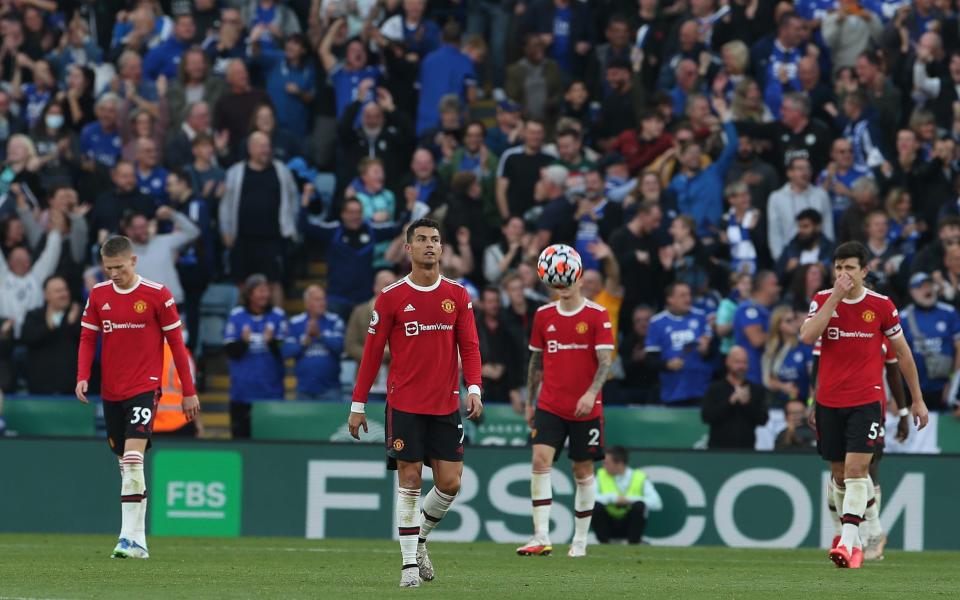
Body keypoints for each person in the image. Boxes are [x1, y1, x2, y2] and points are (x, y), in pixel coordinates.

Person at [348, 219, 483, 588]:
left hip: (445, 404)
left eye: (435, 240)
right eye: (421, 239)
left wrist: (474, 388)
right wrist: (358, 404)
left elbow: (469, 346)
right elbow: (372, 354)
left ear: (442, 249)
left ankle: (419, 537)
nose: (429, 245)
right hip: (405, 403)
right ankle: (409, 565)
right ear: (408, 248)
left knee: (451, 484)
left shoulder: (457, 295)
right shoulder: (391, 297)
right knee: (409, 479)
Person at [800, 241, 928, 569]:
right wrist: (834, 298)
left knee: (858, 471)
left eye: (850, 267)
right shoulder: (822, 300)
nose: (843, 274)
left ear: (864, 271)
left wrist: (916, 400)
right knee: (840, 476)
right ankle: (859, 537)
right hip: (829, 400)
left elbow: (901, 354)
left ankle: (847, 541)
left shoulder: (882, 306)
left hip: (867, 400)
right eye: (838, 267)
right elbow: (806, 337)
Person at [76, 235, 200, 559]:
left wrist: (189, 392)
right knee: (125, 466)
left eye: (118, 267)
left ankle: (127, 539)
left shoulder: (158, 295)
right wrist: (82, 376)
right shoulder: (99, 295)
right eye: (108, 268)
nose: (114, 274)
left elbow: (177, 346)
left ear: (133, 261)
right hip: (112, 391)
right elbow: (88, 337)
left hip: (145, 387)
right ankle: (138, 541)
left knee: (133, 459)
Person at [518, 247, 615, 559]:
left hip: (585, 408)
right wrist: (530, 401)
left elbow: (605, 362)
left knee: (582, 469)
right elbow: (536, 361)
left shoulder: (598, 315)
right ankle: (541, 536)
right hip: (550, 404)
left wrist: (591, 393)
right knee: (539, 462)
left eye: (568, 281)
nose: (564, 287)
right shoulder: (543, 316)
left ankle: (581, 541)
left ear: (580, 276)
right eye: (558, 284)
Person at [222, 274, 287, 438]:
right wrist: (243, 342)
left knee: (272, 441)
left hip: (271, 393)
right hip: (242, 394)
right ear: (250, 294)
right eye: (260, 291)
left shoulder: (278, 316)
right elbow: (230, 352)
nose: (265, 295)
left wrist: (272, 342)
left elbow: (286, 352)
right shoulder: (237, 316)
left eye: (267, 291)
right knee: (241, 441)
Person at [644, 282, 714, 407]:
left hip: (701, 389)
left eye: (689, 295)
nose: (688, 299)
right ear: (670, 299)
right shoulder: (657, 322)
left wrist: (707, 349)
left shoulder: (701, 317)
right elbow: (650, 360)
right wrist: (667, 364)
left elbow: (713, 353)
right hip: (672, 390)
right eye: (683, 295)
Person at [900, 272, 960, 412]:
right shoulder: (902, 317)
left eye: (929, 285)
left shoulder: (949, 313)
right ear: (912, 292)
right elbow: (893, 356)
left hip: (943, 389)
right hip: (910, 390)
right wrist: (898, 397)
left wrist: (953, 384)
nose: (927, 290)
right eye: (921, 287)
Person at [282, 285, 345, 401]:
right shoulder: (295, 323)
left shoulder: (335, 320)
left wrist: (320, 335)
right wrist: (305, 341)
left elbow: (340, 347)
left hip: (331, 389)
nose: (322, 303)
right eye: (317, 300)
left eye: (323, 299)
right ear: (307, 303)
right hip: (304, 390)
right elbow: (286, 352)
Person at [20, 275, 81, 394]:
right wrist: (48, 327)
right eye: (58, 291)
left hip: (71, 390)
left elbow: (89, 341)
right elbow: (27, 339)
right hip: (40, 390)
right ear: (46, 295)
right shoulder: (34, 316)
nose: (64, 294)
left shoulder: (77, 314)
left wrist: (72, 324)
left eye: (65, 289)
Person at [592, 445, 662, 545]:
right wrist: (613, 498)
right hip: (609, 524)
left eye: (606, 463)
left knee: (639, 506)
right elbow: (589, 498)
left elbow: (657, 503)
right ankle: (605, 542)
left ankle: (633, 542)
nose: (604, 466)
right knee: (595, 506)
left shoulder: (639, 477)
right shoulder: (601, 474)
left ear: (619, 463)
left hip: (629, 525)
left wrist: (628, 500)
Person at [701, 345, 768, 449]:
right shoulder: (715, 388)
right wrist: (730, 402)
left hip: (747, 451)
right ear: (728, 362)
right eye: (737, 362)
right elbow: (706, 417)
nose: (741, 366)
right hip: (718, 451)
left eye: (744, 362)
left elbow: (763, 420)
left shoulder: (757, 390)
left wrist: (747, 403)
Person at [733, 270, 781, 386]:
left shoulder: (770, 310)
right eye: (775, 284)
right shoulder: (748, 309)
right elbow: (757, 340)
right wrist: (781, 331)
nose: (779, 289)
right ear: (764, 286)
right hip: (752, 375)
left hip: (770, 375)